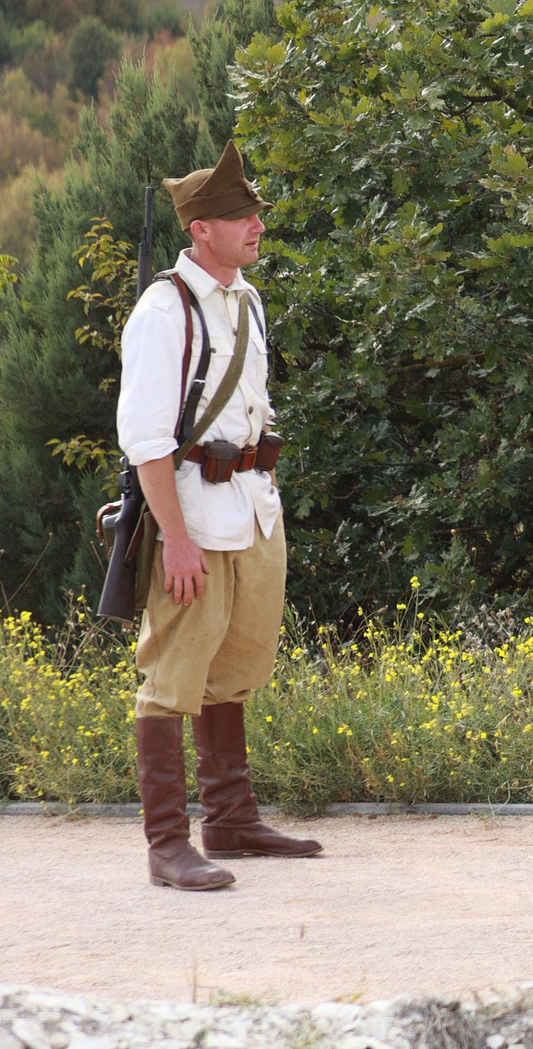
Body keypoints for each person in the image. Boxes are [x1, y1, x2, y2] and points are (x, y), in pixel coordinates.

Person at [118, 141, 321, 891]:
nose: (257, 224)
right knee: (173, 674)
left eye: (256, 212)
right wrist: (175, 538)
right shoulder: (163, 309)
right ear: (201, 228)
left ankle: (231, 818)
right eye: (242, 215)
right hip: (195, 517)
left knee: (235, 667)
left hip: (253, 509)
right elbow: (146, 438)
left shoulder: (247, 299)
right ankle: (167, 844)